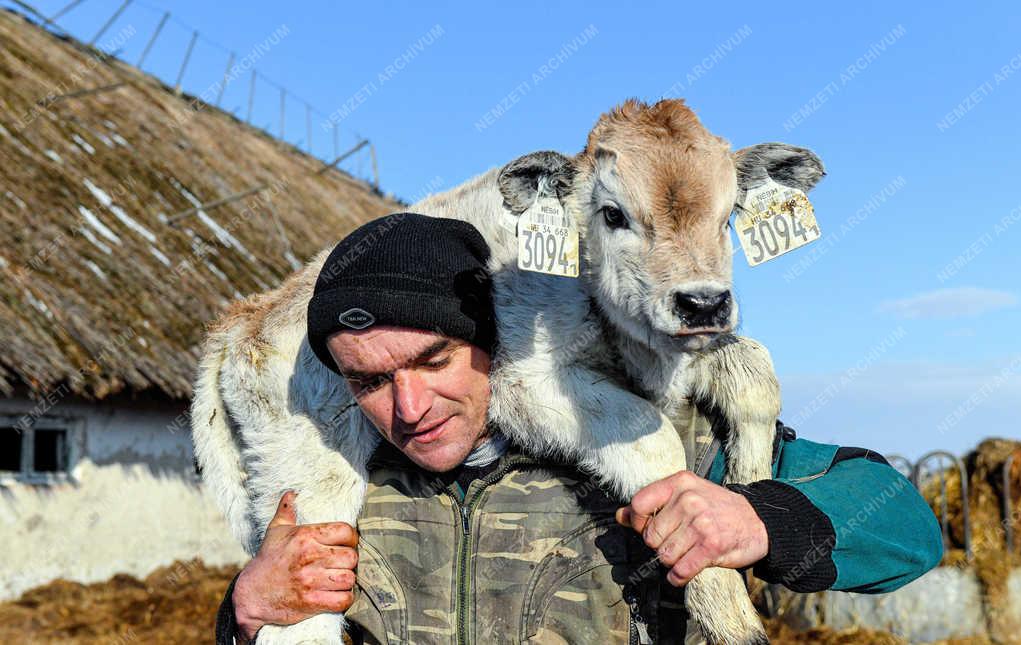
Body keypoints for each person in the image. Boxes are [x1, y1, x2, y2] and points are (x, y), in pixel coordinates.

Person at [214, 214, 942, 644]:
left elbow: (907, 529)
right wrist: (243, 615)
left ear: (489, 339)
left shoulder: (657, 443)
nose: (409, 407)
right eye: (369, 381)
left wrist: (756, 518)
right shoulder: (339, 487)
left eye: (433, 360)